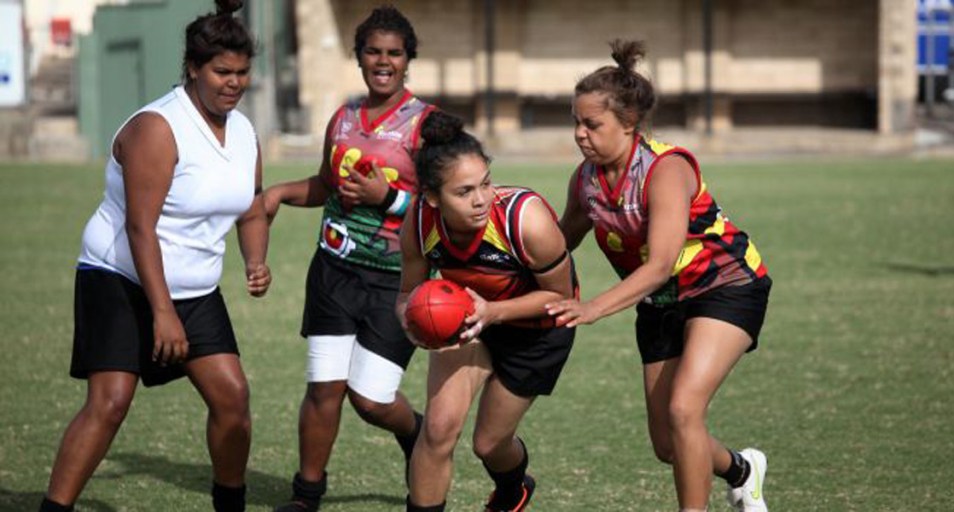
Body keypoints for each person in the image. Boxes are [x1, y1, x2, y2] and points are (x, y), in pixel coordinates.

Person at [39, 2, 268, 511]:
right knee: (111, 402)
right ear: (192, 67)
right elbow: (140, 228)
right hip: (120, 276)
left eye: (242, 73)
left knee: (233, 399)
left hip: (196, 287)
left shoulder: (245, 132)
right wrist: (162, 314)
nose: (233, 83)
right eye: (221, 72)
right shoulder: (158, 128)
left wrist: (255, 259)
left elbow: (252, 204)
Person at [545, 40, 773, 512]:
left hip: (724, 284)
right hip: (661, 303)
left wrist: (592, 308)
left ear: (628, 124)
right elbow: (560, 239)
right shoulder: (585, 179)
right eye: (576, 122)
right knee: (669, 443)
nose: (580, 134)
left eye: (592, 124)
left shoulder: (666, 170)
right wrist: (498, 260)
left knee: (684, 409)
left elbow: (659, 265)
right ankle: (741, 469)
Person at [262, 6, 430, 511]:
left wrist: (389, 198)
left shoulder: (430, 125)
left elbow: (450, 206)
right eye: (373, 51)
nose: (383, 61)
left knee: (371, 400)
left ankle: (417, 434)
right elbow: (327, 184)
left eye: (393, 53)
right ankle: (306, 493)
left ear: (407, 60)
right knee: (323, 389)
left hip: (395, 282)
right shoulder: (343, 116)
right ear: (358, 57)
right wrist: (280, 193)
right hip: (333, 271)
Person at [397, 110, 578, 512]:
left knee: (489, 444)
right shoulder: (419, 219)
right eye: (464, 192)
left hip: (538, 328)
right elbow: (408, 292)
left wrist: (492, 311)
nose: (481, 199)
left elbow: (563, 299)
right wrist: (410, 321)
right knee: (438, 430)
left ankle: (514, 488)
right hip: (466, 320)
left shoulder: (524, 218)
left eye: (485, 183)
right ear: (431, 196)